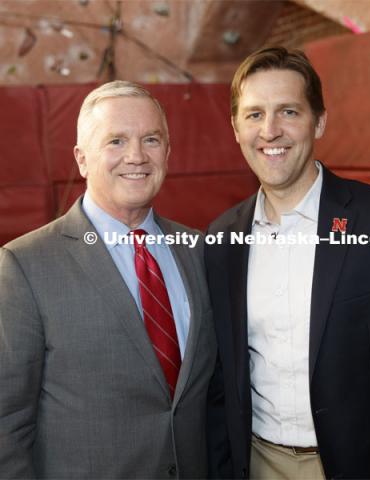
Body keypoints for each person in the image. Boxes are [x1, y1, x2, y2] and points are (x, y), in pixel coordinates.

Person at [205, 47, 370, 479]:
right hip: (257, 464)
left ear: (319, 121)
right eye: (254, 115)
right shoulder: (219, 241)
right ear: (236, 128)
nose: (270, 131)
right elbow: (218, 382)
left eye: (288, 111)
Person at [0, 81, 216, 479]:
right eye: (115, 141)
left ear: (167, 154)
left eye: (150, 139)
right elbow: (6, 423)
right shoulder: (24, 266)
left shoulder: (200, 251)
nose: (135, 156)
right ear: (82, 159)